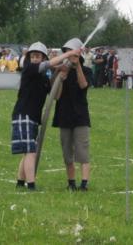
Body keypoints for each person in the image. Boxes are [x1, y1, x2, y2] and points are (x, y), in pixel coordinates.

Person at [11, 42, 79, 191]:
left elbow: (57, 94)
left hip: (33, 118)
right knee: (30, 152)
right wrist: (68, 54)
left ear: (42, 57)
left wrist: (60, 75)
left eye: (38, 56)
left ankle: (20, 183)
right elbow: (47, 65)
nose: (35, 58)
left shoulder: (42, 78)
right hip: (24, 115)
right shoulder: (29, 69)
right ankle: (31, 185)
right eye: (33, 56)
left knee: (27, 151)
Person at [52, 38, 94, 191]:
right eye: (66, 53)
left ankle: (84, 183)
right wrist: (61, 79)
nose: (68, 56)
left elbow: (83, 85)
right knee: (67, 153)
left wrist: (77, 68)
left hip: (80, 116)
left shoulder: (86, 70)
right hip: (64, 116)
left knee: (82, 151)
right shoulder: (60, 70)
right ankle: (71, 183)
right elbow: (56, 96)